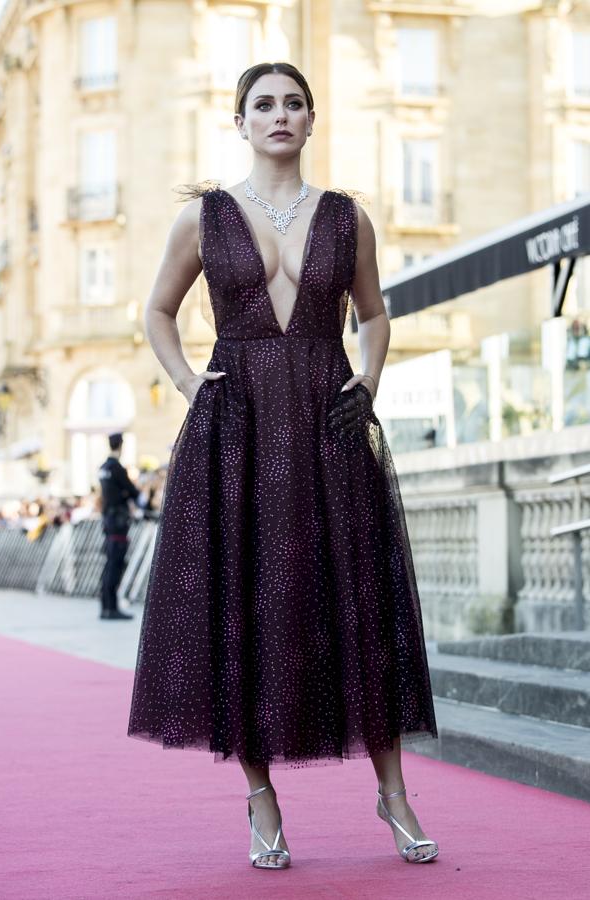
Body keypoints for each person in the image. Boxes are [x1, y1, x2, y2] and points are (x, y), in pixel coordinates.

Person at [127, 61, 439, 869]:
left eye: (293, 103)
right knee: (246, 606)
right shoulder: (204, 218)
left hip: (331, 426)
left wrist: (366, 381)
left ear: (310, 120)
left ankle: (394, 793)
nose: (279, 115)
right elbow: (157, 312)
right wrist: (193, 383)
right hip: (237, 432)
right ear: (240, 121)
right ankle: (262, 801)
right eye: (263, 104)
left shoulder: (347, 219)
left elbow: (373, 316)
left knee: (359, 603)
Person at [98, 432, 150, 620]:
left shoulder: (103, 468)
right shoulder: (117, 468)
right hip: (118, 522)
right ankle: (111, 608)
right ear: (121, 446)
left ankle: (106, 606)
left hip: (108, 521)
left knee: (109, 563)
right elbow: (131, 491)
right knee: (115, 564)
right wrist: (144, 502)